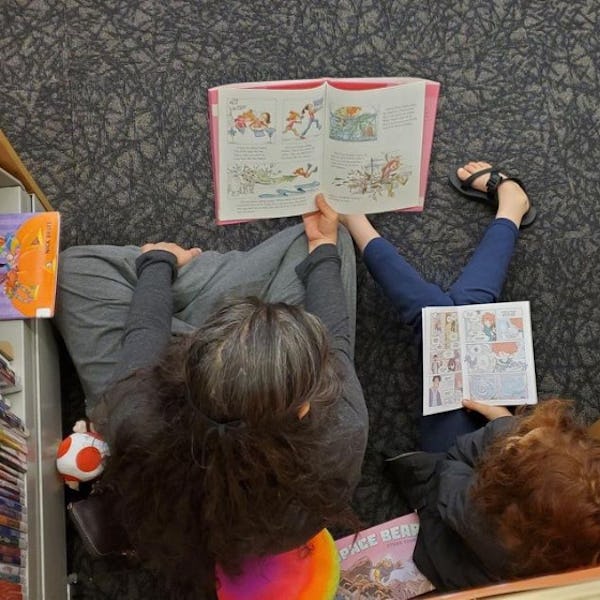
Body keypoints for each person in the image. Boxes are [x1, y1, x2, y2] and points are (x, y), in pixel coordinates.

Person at [54, 195, 368, 599]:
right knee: (329, 246)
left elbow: (143, 337)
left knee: (71, 270)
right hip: (256, 536)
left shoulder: (136, 413)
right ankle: (203, 299)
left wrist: (158, 262)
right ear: (305, 406)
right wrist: (323, 248)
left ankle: (193, 300)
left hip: (155, 394)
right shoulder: (342, 426)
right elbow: (336, 340)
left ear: (183, 368)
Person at [342, 161, 600, 591]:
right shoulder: (569, 537)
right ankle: (363, 226)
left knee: (436, 319)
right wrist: (509, 430)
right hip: (501, 497)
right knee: (460, 314)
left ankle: (361, 225)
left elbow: (457, 461)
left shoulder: (474, 510)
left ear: (501, 484)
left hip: (447, 474)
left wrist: (502, 427)